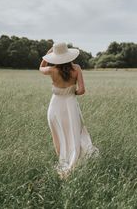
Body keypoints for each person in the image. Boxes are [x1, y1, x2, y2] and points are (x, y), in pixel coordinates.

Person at [39, 42, 99, 179]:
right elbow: (82, 90)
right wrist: (71, 92)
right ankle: (75, 160)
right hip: (70, 104)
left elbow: (40, 68)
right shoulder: (76, 68)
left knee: (59, 134)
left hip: (55, 106)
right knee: (74, 133)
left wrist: (46, 57)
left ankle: (64, 160)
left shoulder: (51, 70)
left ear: (55, 57)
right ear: (68, 55)